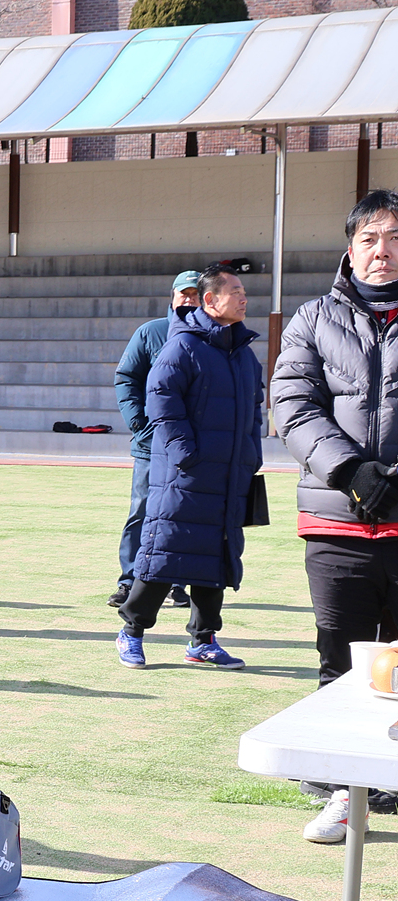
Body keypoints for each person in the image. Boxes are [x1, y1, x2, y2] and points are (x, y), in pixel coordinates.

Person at [271, 190, 398, 844]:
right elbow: (292, 403)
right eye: (370, 238)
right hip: (338, 524)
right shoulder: (313, 318)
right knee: (342, 662)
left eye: (395, 238)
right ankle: (347, 794)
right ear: (351, 249)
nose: (383, 250)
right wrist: (351, 473)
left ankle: (391, 778)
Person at [115, 265, 265, 672]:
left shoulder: (243, 353)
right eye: (235, 291)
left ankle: (204, 640)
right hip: (186, 474)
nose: (244, 297)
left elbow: (255, 409)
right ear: (210, 300)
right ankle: (132, 631)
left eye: (244, 291)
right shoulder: (182, 345)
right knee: (166, 552)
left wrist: (251, 454)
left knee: (216, 557)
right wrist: (185, 454)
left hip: (229, 474)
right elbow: (160, 398)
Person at [112, 272, 203, 610]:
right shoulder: (150, 332)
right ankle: (128, 581)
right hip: (152, 445)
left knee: (183, 515)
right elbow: (126, 378)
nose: (189, 299)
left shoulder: (213, 336)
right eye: (184, 294)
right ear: (173, 296)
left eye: (195, 294)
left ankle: (175, 583)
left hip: (191, 446)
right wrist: (138, 423)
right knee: (141, 512)